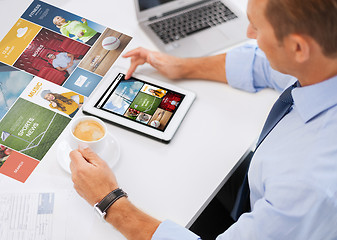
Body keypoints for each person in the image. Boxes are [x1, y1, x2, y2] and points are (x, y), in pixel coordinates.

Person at [69, 0, 337, 239]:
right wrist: (182, 66)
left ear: (298, 47)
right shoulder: (323, 61)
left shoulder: (309, 187)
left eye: (257, 27)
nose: (248, 34)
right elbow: (264, 64)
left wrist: (109, 202)